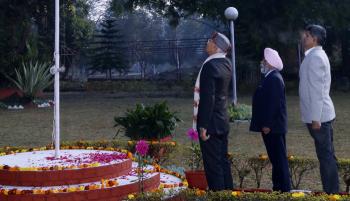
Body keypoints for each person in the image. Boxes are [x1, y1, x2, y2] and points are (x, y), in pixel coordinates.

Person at [299, 24, 339, 194]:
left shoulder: (315, 57)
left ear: (314, 39)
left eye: (306, 36)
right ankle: (333, 192)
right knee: (327, 156)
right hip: (321, 116)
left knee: (326, 158)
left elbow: (317, 90)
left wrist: (316, 118)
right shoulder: (314, 55)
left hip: (320, 118)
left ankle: (332, 194)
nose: (303, 38)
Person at [192, 32, 233, 191]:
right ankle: (229, 194)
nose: (207, 43)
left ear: (215, 46)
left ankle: (218, 196)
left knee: (213, 167)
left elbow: (208, 98)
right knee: (223, 162)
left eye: (209, 41)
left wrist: (203, 126)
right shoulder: (226, 63)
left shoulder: (209, 65)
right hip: (222, 120)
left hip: (210, 124)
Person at [250, 47, 291, 192]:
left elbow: (274, 104)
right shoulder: (270, 77)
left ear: (270, 63)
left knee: (279, 159)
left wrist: (267, 124)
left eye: (264, 60)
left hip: (273, 127)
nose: (262, 62)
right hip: (272, 127)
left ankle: (284, 189)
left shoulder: (274, 78)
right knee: (276, 159)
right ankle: (278, 187)